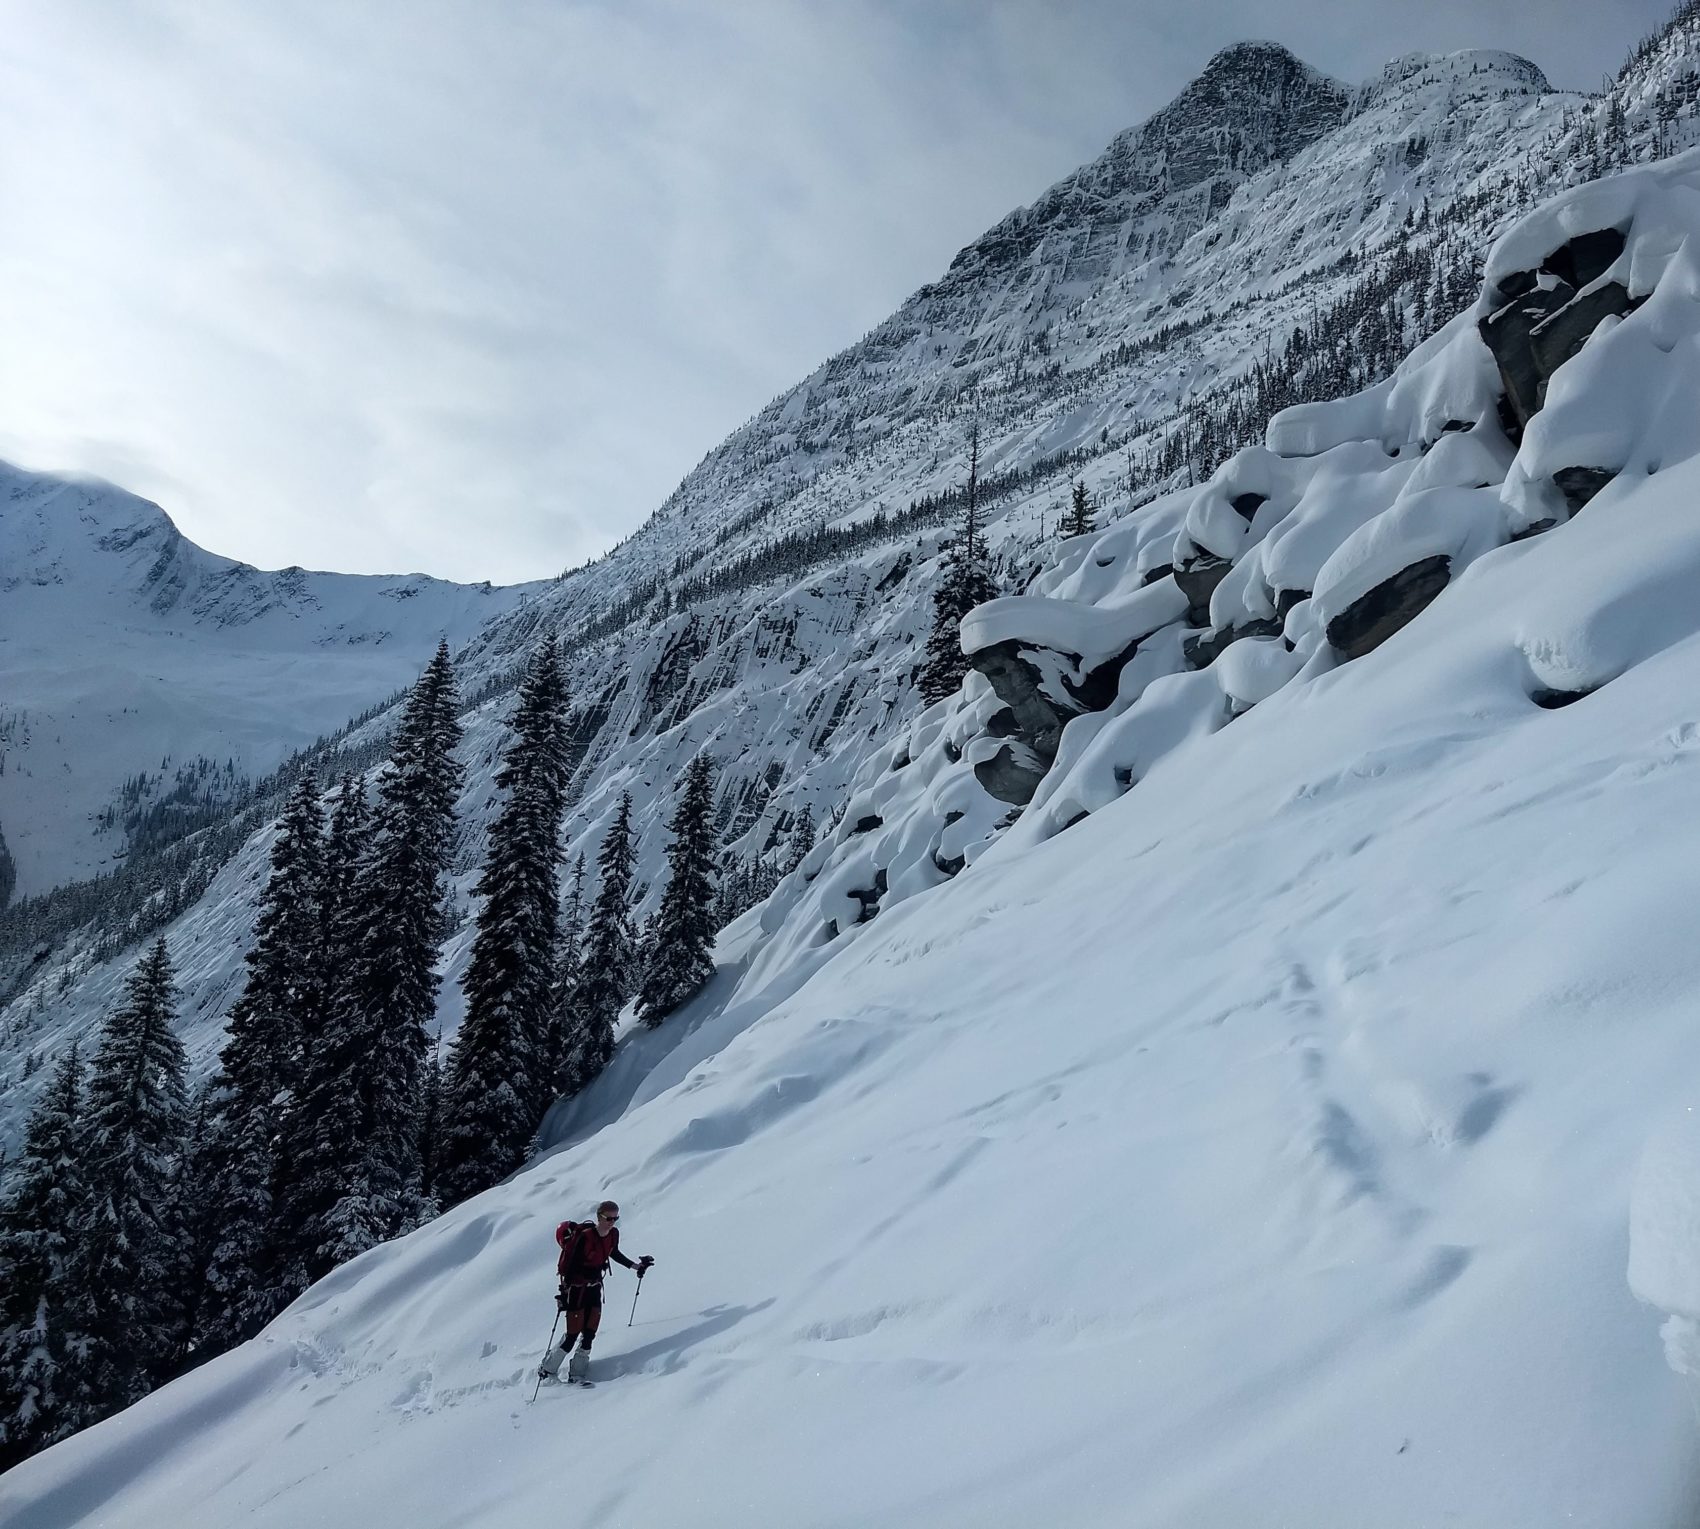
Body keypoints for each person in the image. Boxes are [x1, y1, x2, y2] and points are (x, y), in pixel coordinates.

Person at [538, 1200, 654, 1384]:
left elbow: (613, 1253)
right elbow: (570, 1267)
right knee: (572, 1334)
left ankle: (577, 1374)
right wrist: (563, 1294)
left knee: (590, 1333)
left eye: (616, 1218)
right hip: (577, 1290)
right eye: (609, 1218)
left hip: (595, 1287)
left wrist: (635, 1266)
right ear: (599, 1217)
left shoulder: (613, 1234)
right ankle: (547, 1369)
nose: (612, 1222)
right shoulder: (584, 1237)